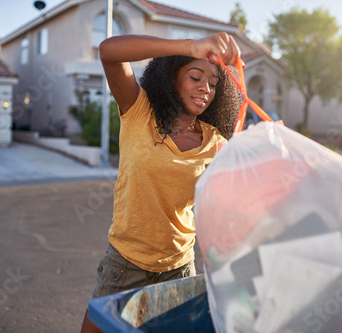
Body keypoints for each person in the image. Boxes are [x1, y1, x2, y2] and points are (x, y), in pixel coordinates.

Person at [80, 32, 241, 332]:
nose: (206, 88)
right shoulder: (138, 110)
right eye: (196, 77)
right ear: (172, 77)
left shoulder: (216, 141)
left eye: (214, 83)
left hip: (179, 268)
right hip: (124, 263)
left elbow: (231, 202)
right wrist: (192, 47)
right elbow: (109, 51)